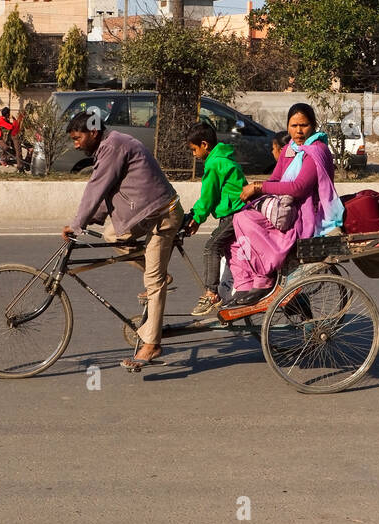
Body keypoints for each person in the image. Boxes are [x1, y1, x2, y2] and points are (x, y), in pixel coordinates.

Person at [61, 110, 182, 369]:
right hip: (145, 215)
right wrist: (88, 222)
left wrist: (77, 223)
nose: (76, 143)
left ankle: (152, 344)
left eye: (77, 137)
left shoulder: (114, 145)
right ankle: (156, 272)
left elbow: (96, 187)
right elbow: (109, 193)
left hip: (163, 215)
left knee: (153, 280)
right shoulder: (110, 146)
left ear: (93, 132)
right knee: (111, 235)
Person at [228, 102, 344, 306]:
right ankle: (246, 282)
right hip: (285, 208)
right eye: (293, 126)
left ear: (313, 125)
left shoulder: (318, 150)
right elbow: (275, 179)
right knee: (240, 219)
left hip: (304, 215)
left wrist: (259, 187)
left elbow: (299, 188)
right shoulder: (289, 150)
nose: (298, 131)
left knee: (245, 220)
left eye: (304, 125)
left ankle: (266, 274)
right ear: (288, 126)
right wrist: (255, 194)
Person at [185, 121, 247, 316]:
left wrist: (197, 218)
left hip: (235, 213)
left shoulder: (214, 163)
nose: (194, 154)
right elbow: (208, 197)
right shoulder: (221, 158)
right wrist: (195, 214)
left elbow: (208, 196)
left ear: (204, 145)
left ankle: (211, 294)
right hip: (234, 211)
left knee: (211, 247)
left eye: (194, 149)